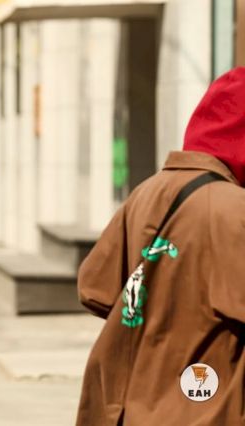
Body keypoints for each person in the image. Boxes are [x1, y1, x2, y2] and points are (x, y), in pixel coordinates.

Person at [77, 67, 245, 425]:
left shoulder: (147, 191)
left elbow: (94, 289)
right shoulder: (234, 209)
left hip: (125, 404)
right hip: (203, 407)